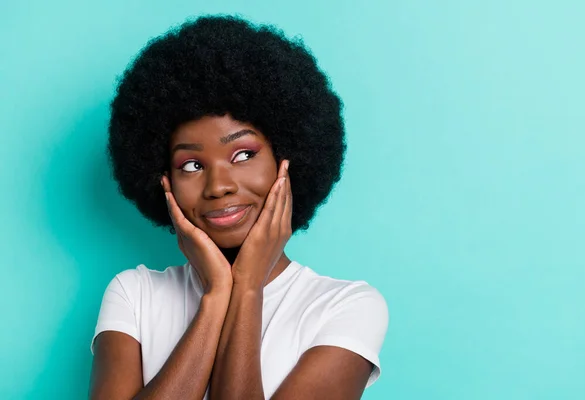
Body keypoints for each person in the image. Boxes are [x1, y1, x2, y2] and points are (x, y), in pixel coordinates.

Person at [90, 14, 389, 400]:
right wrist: (217, 295)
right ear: (163, 180)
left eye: (244, 154)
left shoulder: (345, 306)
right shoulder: (134, 293)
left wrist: (248, 287)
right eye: (192, 165)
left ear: (288, 158)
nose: (219, 187)